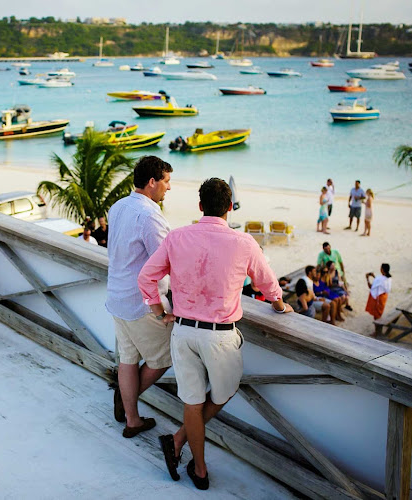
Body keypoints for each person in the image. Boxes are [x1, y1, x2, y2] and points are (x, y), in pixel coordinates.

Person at [138, 178, 292, 490]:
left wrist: (158, 310)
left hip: (182, 332)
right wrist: (278, 304)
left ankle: (195, 462)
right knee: (224, 392)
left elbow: (146, 276)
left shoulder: (178, 237)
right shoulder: (244, 242)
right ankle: (192, 458)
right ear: (230, 208)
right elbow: (267, 282)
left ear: (199, 206)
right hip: (220, 335)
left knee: (193, 403)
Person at [106, 156, 173, 439]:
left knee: (128, 360)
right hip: (141, 302)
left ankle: (132, 418)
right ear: (152, 182)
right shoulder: (149, 215)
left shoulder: (118, 206)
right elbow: (165, 261)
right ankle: (127, 400)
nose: (169, 188)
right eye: (167, 181)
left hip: (116, 295)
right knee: (162, 359)